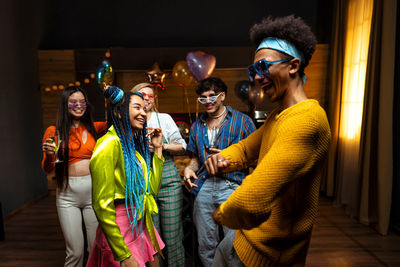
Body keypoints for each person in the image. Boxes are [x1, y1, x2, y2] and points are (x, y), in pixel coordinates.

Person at [205, 15, 331, 266]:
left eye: (263, 67)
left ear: (293, 66)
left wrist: (221, 214)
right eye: (253, 70)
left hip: (267, 256)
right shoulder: (279, 116)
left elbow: (251, 200)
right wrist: (223, 158)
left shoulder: (307, 121)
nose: (256, 77)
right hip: (241, 241)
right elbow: (246, 147)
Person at [86, 86, 165, 267]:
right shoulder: (108, 144)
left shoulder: (134, 150)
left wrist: (158, 149)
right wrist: (122, 253)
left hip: (140, 223)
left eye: (144, 109)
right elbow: (101, 204)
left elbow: (151, 189)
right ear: (120, 113)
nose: (143, 113)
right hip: (120, 230)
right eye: (137, 107)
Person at [182, 77, 256, 266]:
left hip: (232, 186)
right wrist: (189, 169)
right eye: (203, 98)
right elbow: (196, 159)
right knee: (206, 246)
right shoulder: (197, 126)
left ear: (222, 96)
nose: (207, 101)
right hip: (204, 187)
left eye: (212, 96)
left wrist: (231, 156)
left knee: (234, 244)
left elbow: (256, 158)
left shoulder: (243, 121)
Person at [41, 86, 107, 267]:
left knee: (95, 248)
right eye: (73, 102)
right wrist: (48, 155)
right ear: (65, 104)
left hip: (94, 193)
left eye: (82, 101)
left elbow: (119, 119)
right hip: (67, 195)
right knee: (75, 252)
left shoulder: (96, 127)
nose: (79, 105)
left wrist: (109, 93)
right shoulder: (53, 131)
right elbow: (47, 169)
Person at [131, 82, 186, 267]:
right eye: (141, 95)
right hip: (143, 182)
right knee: (151, 238)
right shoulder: (130, 120)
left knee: (172, 236)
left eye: (150, 96)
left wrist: (161, 146)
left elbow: (182, 146)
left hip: (168, 178)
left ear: (154, 100)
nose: (146, 99)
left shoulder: (164, 118)